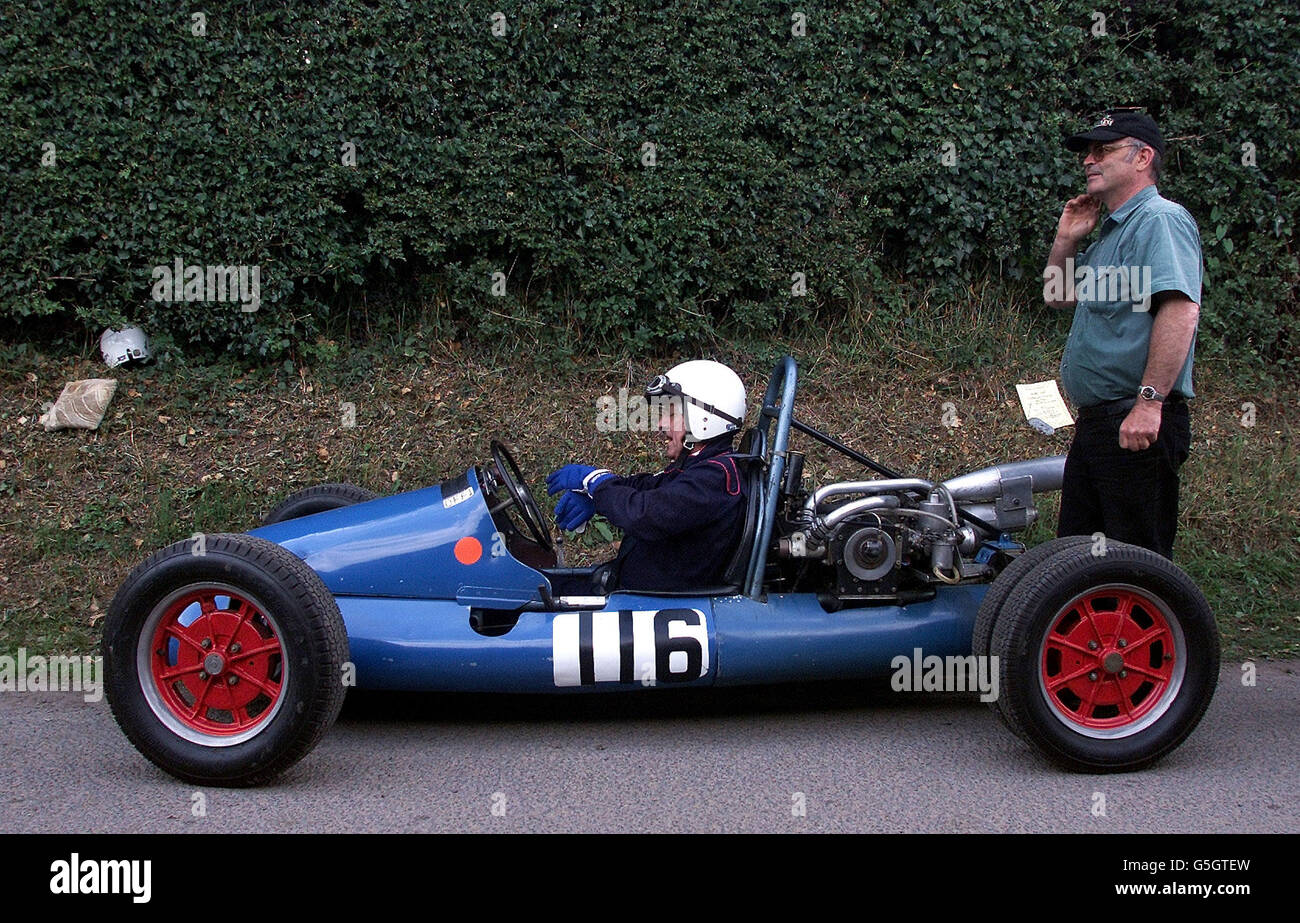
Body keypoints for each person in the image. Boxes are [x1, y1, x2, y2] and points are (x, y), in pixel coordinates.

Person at [1043, 108, 1202, 559]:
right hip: (1098, 423)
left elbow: (1180, 309)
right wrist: (1067, 239)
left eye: (1103, 150)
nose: (1089, 160)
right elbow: (1058, 296)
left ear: (1142, 157)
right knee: (1080, 562)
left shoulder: (1160, 220)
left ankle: (1158, 632)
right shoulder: (1110, 233)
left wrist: (1149, 404)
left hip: (1136, 421)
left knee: (1135, 561)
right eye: (1087, 153)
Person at [546, 360, 749, 592]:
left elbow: (643, 515)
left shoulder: (715, 479)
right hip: (634, 589)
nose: (660, 425)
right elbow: (649, 487)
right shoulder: (701, 467)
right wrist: (595, 494)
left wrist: (595, 482)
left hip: (653, 602)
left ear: (705, 419)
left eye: (671, 415)